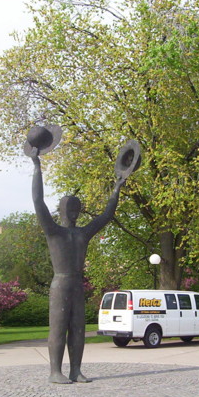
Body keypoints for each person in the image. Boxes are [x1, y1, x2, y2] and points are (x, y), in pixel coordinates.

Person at [29, 142, 127, 384]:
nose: (74, 213)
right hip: (60, 284)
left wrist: (116, 189)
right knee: (58, 328)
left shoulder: (82, 233)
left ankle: (75, 370)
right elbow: (38, 202)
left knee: (78, 329)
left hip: (76, 285)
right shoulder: (54, 232)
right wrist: (37, 168)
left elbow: (106, 216)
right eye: (69, 209)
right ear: (61, 211)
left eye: (77, 209)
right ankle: (55, 371)